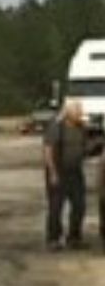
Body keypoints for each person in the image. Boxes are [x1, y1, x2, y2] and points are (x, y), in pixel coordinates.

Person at [43, 97, 89, 249]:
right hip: (59, 171)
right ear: (69, 112)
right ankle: (53, 239)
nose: (81, 113)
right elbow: (48, 151)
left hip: (76, 172)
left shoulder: (81, 127)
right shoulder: (57, 127)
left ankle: (74, 237)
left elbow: (86, 148)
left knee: (79, 205)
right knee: (56, 207)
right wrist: (53, 173)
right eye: (78, 110)